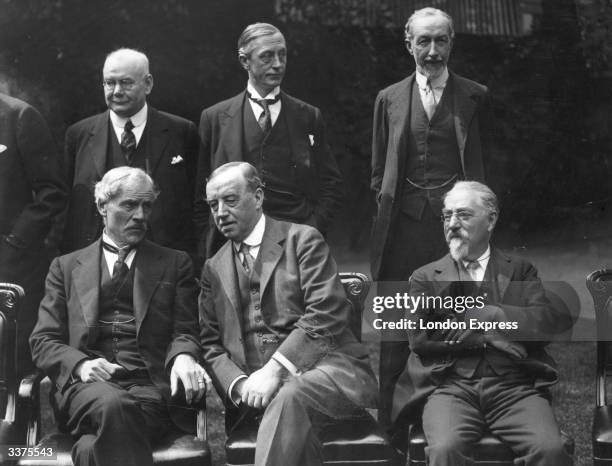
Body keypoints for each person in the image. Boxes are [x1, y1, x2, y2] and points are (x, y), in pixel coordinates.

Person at [199, 162, 378, 465]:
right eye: (213, 204)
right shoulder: (213, 268)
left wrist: (275, 370)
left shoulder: (302, 240)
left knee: (290, 396)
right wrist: (242, 386)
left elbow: (326, 313)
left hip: (328, 376)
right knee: (295, 426)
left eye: (230, 200)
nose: (220, 212)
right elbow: (211, 345)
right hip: (258, 393)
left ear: (258, 197)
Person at [30, 167, 207, 466]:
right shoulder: (65, 267)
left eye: (147, 206)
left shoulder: (175, 263)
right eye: (129, 205)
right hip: (84, 391)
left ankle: (89, 451)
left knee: (90, 447)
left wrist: (185, 356)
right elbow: (42, 340)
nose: (140, 215)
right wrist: (81, 364)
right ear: (102, 206)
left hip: (149, 391)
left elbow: (185, 331)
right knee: (114, 405)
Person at [391, 181, 572, 465]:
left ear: (491, 219)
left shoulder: (520, 269)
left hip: (513, 389)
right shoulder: (426, 277)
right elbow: (420, 338)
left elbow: (544, 324)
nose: (452, 223)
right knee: (445, 450)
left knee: (550, 450)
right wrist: (485, 337)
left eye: (463, 215)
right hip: (450, 388)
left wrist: (495, 313)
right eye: (447, 215)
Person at [370, 7, 492, 428]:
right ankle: (389, 428)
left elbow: (487, 171)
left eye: (441, 40)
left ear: (452, 43)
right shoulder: (388, 98)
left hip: (455, 233)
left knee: (457, 322)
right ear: (409, 45)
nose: (433, 50)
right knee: (398, 327)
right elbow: (378, 173)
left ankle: (455, 420)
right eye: (424, 41)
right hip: (402, 230)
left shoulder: (475, 96)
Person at [194, 22, 344, 260]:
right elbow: (199, 194)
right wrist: (209, 243)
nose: (277, 64)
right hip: (231, 246)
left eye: (282, 55)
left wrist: (313, 227)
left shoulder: (308, 116)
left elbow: (330, 183)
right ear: (245, 61)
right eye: (267, 57)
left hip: (295, 245)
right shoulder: (214, 118)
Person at [62, 48, 199, 256]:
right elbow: (65, 207)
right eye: (110, 83)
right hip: (95, 261)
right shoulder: (79, 135)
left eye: (126, 83)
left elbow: (197, 202)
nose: (116, 91)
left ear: (148, 84)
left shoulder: (181, 131)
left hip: (165, 259)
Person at [0, 92, 67, 377]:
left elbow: (52, 190)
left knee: (9, 355)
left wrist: (16, 241)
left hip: (10, 258)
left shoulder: (19, 116)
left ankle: (13, 417)